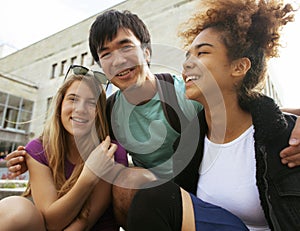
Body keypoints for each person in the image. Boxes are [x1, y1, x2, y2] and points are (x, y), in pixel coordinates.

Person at [5, 8, 300, 229]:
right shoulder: (109, 110)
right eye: (105, 54)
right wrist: (30, 154)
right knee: (125, 182)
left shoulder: (185, 92)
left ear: (146, 52)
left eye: (125, 47)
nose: (118, 60)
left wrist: (295, 121)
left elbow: (244, 108)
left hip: (190, 196)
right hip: (152, 201)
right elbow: (69, 128)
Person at [127, 0, 300, 230]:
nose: (188, 64)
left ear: (239, 67)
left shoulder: (286, 139)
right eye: (189, 55)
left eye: (203, 52)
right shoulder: (189, 144)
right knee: (151, 191)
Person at [0, 68, 128, 231]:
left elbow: (84, 222)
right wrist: (88, 176)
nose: (80, 109)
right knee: (15, 208)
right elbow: (52, 223)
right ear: (60, 105)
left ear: (99, 113)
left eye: (91, 103)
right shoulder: (39, 149)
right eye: (73, 99)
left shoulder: (111, 151)